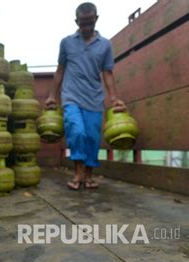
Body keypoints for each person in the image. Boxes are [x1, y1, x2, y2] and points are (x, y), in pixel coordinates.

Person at [45, 2, 126, 190]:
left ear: (96, 19)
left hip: (94, 99)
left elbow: (108, 73)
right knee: (76, 131)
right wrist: (52, 96)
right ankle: (79, 172)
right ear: (76, 21)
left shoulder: (105, 45)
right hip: (71, 97)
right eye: (83, 23)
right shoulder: (66, 42)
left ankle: (88, 176)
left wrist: (114, 99)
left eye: (90, 22)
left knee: (92, 138)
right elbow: (60, 70)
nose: (87, 27)